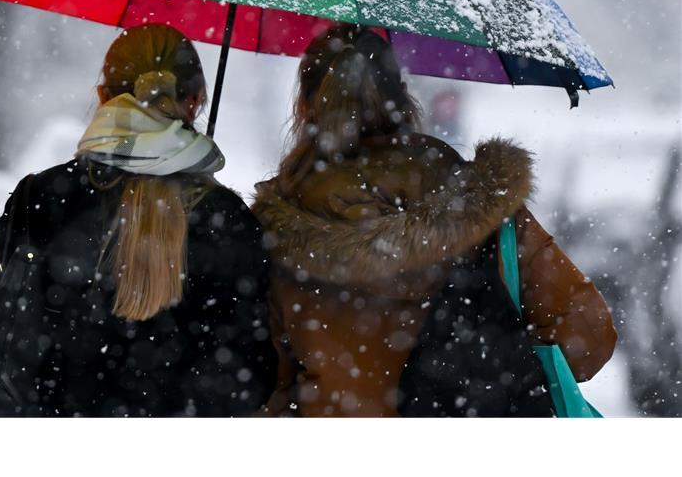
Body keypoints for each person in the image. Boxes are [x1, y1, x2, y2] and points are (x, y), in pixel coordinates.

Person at [251, 23, 617, 417]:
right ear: (403, 97)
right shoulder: (477, 201)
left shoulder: (277, 219)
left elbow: (262, 378)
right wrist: (497, 368)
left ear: (306, 105)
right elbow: (588, 334)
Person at [0, 23, 276, 417]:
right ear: (195, 101)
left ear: (103, 95)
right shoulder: (227, 222)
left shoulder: (42, 199)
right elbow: (248, 381)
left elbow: (6, 348)